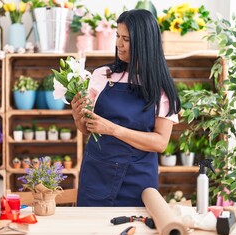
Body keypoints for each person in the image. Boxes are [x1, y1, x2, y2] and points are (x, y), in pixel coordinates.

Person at [71, 9, 181, 207]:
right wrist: (78, 116)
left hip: (138, 181)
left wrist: (112, 129)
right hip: (97, 174)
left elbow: (160, 142)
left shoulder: (161, 88)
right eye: (117, 36)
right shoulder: (102, 75)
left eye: (126, 39)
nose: (118, 44)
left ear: (144, 43)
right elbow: (87, 129)